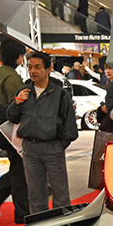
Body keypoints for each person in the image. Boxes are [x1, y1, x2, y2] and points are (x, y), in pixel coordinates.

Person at [7, 51, 77, 214]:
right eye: (30, 67)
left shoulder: (60, 94)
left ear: (49, 69)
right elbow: (11, 117)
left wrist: (60, 145)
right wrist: (17, 102)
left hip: (53, 148)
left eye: (38, 67)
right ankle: (40, 225)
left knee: (61, 195)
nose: (33, 71)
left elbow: (70, 126)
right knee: (35, 196)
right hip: (30, 150)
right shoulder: (24, 91)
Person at [0, 39, 29, 223]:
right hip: (6, 129)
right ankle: (21, 212)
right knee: (19, 170)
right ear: (18, 57)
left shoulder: (0, 71)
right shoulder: (12, 77)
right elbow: (16, 106)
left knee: (18, 167)